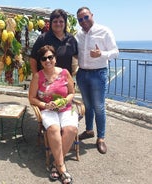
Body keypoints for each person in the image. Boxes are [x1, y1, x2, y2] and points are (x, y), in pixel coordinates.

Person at [28, 45, 78, 184]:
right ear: (41, 61)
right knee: (54, 129)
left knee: (71, 129)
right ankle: (62, 168)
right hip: (48, 109)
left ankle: (55, 164)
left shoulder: (64, 73)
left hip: (66, 107)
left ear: (55, 58)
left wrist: (64, 101)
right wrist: (45, 105)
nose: (47, 60)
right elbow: (31, 98)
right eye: (44, 58)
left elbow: (72, 93)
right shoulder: (38, 76)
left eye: (50, 57)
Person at [75, 7, 119, 154]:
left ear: (92, 15)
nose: (83, 21)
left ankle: (101, 138)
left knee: (99, 107)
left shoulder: (104, 31)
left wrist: (101, 54)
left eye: (86, 17)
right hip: (82, 74)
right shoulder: (79, 34)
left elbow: (115, 52)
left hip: (98, 74)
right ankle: (89, 131)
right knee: (87, 105)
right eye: (80, 19)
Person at [30, 9, 78, 75]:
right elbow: (33, 59)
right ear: (51, 23)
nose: (58, 24)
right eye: (55, 21)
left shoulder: (71, 39)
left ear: (65, 23)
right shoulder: (43, 38)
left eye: (61, 21)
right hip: (46, 81)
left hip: (64, 80)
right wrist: (36, 76)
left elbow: (76, 56)